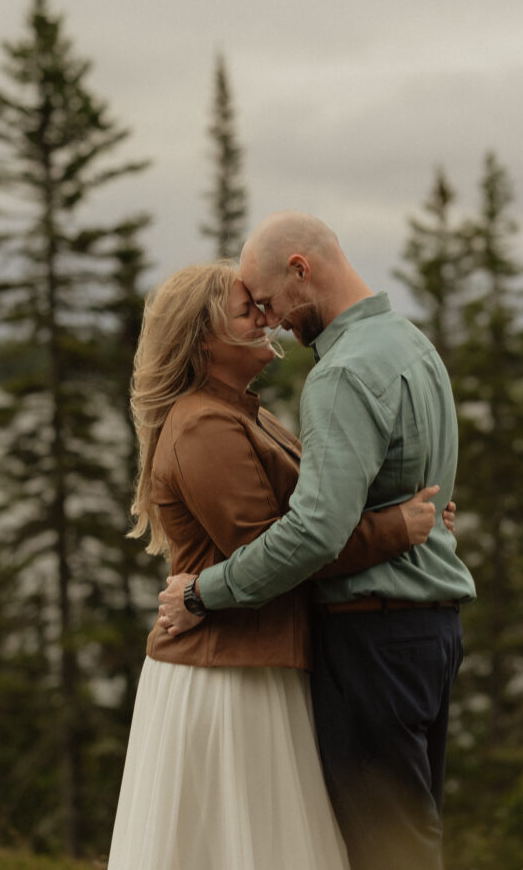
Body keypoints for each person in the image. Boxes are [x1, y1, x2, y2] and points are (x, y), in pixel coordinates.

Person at [106, 260, 456, 870]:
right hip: (228, 673)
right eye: (248, 312)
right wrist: (395, 530)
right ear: (204, 341)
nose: (266, 322)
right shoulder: (204, 426)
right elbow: (277, 550)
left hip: (257, 659)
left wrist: (408, 514)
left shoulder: (247, 414)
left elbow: (318, 518)